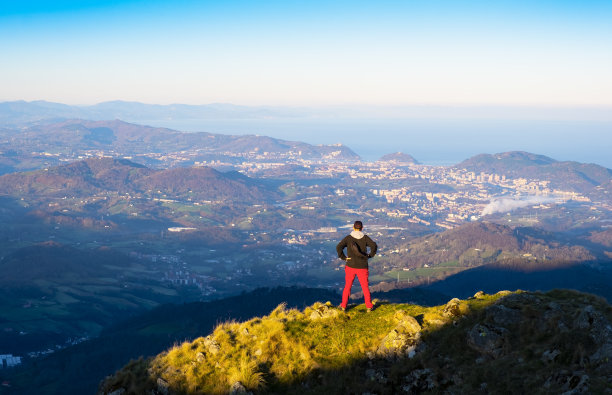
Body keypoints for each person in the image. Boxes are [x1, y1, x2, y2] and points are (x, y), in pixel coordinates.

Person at [336, 220, 378, 312]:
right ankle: (369, 306)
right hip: (362, 266)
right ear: (362, 228)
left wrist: (344, 257)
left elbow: (338, 247)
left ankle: (343, 306)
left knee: (348, 286)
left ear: (353, 227)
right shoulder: (365, 238)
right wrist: (370, 255)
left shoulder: (348, 238)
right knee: (365, 287)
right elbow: (374, 246)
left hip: (350, 266)